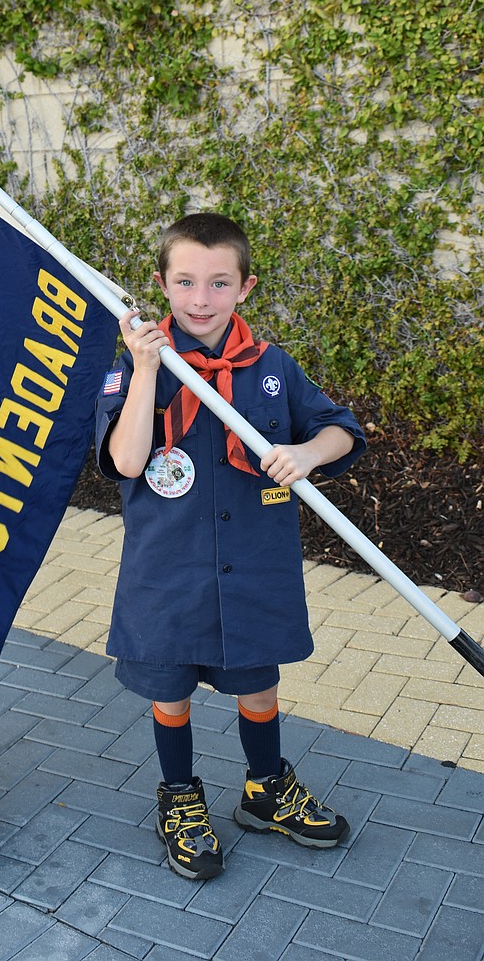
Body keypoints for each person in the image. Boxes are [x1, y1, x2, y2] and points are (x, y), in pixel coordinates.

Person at [95, 212, 366, 881]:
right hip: (169, 572)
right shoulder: (140, 366)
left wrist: (307, 451)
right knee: (171, 690)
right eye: (185, 281)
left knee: (258, 684)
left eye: (219, 283)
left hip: (253, 570)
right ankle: (181, 795)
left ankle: (265, 787)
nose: (200, 299)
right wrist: (146, 367)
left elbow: (342, 430)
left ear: (244, 286)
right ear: (161, 282)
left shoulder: (271, 368)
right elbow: (126, 462)